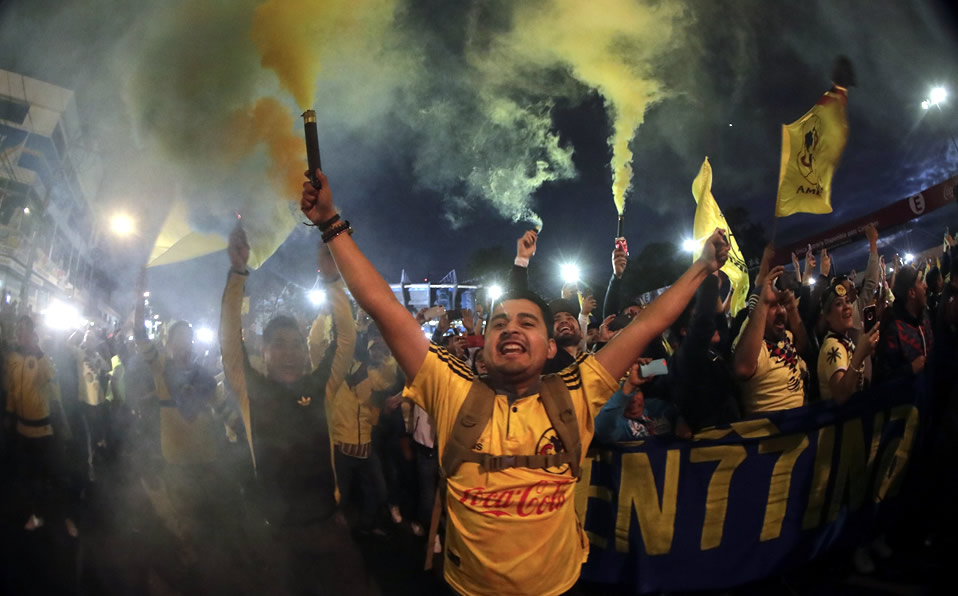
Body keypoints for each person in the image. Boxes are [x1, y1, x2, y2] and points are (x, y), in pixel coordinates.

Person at [301, 167, 729, 596]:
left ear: (548, 348)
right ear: (484, 348)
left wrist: (702, 268)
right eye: (499, 323)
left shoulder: (577, 391)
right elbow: (384, 307)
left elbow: (647, 325)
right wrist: (331, 223)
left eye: (527, 322)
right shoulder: (451, 388)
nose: (511, 329)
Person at [220, 223, 370, 595]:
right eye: (278, 345)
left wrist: (333, 279)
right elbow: (228, 343)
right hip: (275, 534)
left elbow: (346, 338)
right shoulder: (250, 390)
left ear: (305, 352)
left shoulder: (321, 386)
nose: (289, 352)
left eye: (295, 345)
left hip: (327, 525)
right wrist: (238, 272)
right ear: (264, 353)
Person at [3, 316, 72, 535]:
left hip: (43, 429)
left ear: (33, 333)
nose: (21, 334)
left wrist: (39, 353)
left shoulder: (43, 359)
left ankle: (65, 516)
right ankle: (35, 514)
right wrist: (9, 413)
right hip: (22, 428)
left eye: (25, 331)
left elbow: (53, 385)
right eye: (18, 330)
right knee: (28, 475)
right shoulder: (13, 358)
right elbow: (13, 390)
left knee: (52, 474)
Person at [733, 269, 810, 414]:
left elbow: (804, 347)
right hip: (775, 432)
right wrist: (763, 301)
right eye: (772, 306)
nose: (781, 311)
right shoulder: (755, 349)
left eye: (781, 305)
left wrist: (792, 308)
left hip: (801, 428)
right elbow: (742, 369)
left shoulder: (786, 337)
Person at [816, 280, 880, 404]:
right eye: (839, 304)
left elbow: (862, 384)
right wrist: (861, 353)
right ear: (828, 316)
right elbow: (841, 396)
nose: (847, 307)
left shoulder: (845, 341)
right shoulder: (832, 347)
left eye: (848, 301)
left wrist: (867, 351)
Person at [595, 358, 684, 441]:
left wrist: (683, 419)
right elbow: (603, 428)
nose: (633, 399)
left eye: (636, 390)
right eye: (627, 394)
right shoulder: (618, 426)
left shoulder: (656, 407)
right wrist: (630, 384)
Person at [874, 264, 933, 383]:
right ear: (912, 292)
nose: (926, 286)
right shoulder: (893, 330)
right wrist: (910, 370)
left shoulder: (924, 317)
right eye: (921, 281)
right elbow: (883, 379)